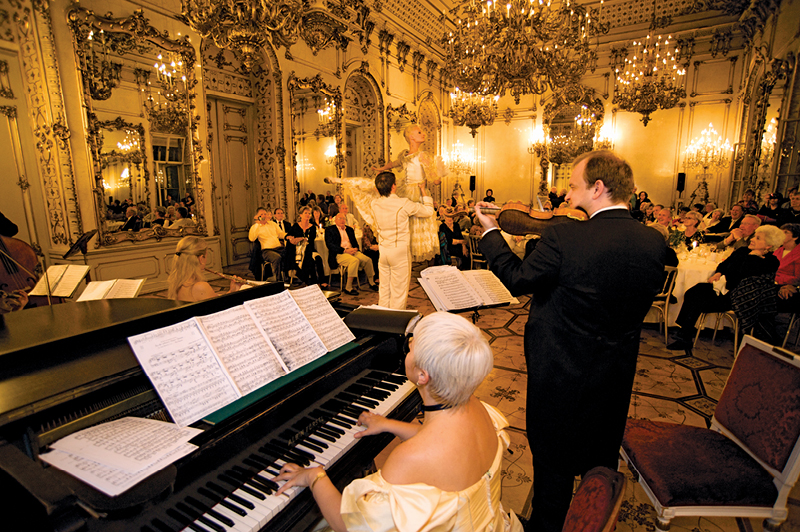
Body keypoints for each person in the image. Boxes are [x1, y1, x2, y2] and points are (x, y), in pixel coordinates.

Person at [475, 150, 666, 532]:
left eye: (575, 185)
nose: (567, 192)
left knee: (553, 461)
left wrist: (489, 232)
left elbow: (517, 278)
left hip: (559, 370)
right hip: (616, 371)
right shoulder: (653, 242)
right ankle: (594, 519)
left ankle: (548, 525)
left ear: (598, 188)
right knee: (599, 456)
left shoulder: (565, 236)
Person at [273, 311, 523, 532]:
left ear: (422, 376)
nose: (410, 343)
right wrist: (388, 424)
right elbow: (442, 445)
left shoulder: (407, 459)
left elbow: (351, 526)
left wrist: (315, 476)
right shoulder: (478, 407)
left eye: (414, 347)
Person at [668, 224, 784, 350]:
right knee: (694, 291)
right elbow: (724, 265)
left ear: (769, 246)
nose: (752, 239)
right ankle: (684, 331)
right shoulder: (742, 251)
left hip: (740, 297)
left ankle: (685, 335)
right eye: (754, 236)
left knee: (698, 299)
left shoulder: (771, 262)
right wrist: (718, 273)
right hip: (723, 288)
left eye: (758, 238)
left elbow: (740, 275)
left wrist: (753, 257)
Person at [371, 172, 435, 309]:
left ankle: (382, 322)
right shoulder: (403, 203)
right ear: (394, 186)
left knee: (384, 290)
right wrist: (423, 190)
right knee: (399, 292)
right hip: (399, 252)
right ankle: (394, 326)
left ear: (377, 189)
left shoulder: (374, 204)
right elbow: (429, 211)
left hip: (383, 252)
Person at [167, 236, 240, 301]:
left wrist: (231, 292)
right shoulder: (200, 287)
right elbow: (220, 310)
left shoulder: (177, 282)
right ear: (201, 259)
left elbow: (216, 301)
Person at [325, 213, 377, 295]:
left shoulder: (349, 229)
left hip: (352, 251)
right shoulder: (330, 230)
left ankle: (372, 283)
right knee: (354, 261)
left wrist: (355, 249)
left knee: (368, 260)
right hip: (339, 253)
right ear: (335, 221)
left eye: (343, 218)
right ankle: (348, 287)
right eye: (340, 219)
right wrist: (345, 250)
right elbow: (330, 245)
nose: (342, 220)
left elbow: (355, 243)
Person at [285, 206, 327, 287]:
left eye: (309, 213)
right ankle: (312, 281)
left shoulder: (312, 227)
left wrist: (300, 238)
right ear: (301, 215)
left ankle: (321, 280)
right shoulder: (296, 226)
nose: (308, 215)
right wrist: (290, 238)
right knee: (309, 260)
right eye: (305, 213)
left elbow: (310, 240)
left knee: (317, 258)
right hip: (297, 249)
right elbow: (287, 236)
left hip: (309, 248)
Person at [248, 207, 286, 282]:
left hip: (278, 248)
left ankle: (289, 276)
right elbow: (251, 238)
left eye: (265, 214)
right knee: (277, 258)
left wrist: (289, 236)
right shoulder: (255, 227)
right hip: (267, 251)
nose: (263, 216)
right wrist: (257, 224)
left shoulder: (273, 224)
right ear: (257, 216)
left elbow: (280, 234)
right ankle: (279, 280)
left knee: (290, 253)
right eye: (261, 214)